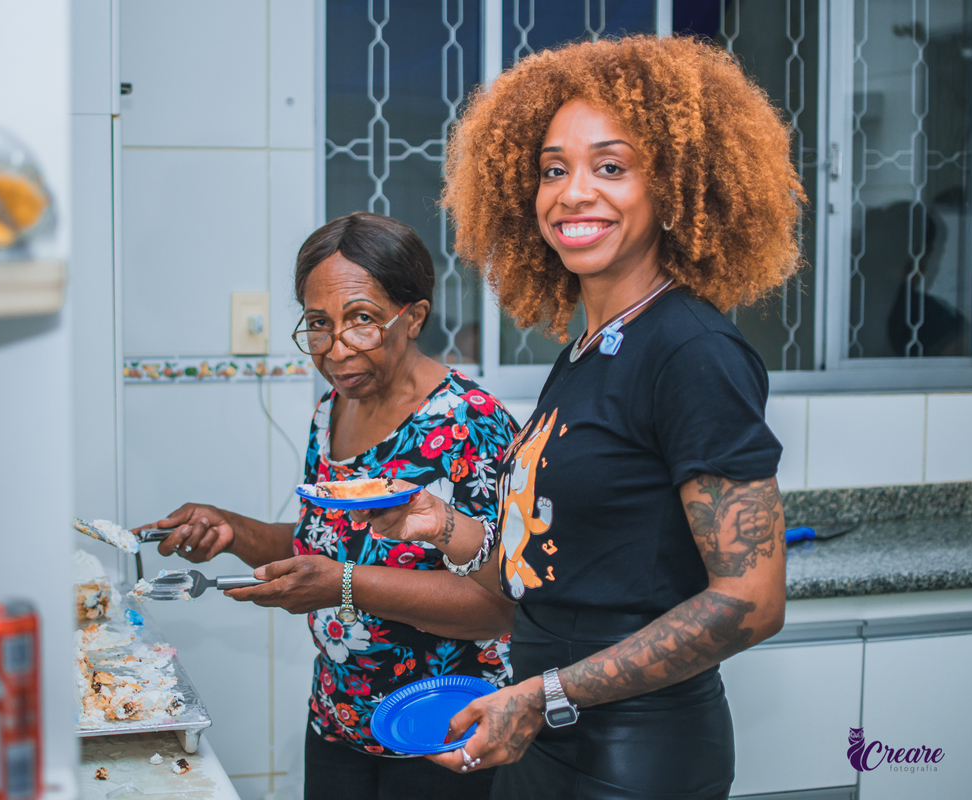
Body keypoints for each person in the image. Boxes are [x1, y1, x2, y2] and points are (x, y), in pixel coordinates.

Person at [355, 36, 801, 799]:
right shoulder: (591, 350)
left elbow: (750, 604)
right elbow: (559, 569)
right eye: (553, 169)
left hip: (637, 755)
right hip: (541, 734)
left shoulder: (691, 351)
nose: (572, 192)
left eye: (612, 167)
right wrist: (444, 528)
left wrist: (544, 694)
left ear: (677, 188)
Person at [136, 212, 520, 800]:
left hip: (444, 726)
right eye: (319, 325)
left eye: (362, 320)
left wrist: (343, 585)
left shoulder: (473, 423)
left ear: (413, 316)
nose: (337, 350)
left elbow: (497, 607)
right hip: (339, 717)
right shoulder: (331, 410)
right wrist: (232, 529)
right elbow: (326, 544)